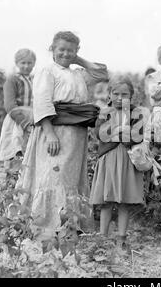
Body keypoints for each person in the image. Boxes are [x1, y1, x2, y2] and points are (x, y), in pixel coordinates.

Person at [16, 31, 108, 240]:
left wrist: (78, 59)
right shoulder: (47, 72)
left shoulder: (77, 73)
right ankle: (46, 226)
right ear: (52, 49)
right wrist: (49, 134)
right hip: (55, 131)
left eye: (71, 50)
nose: (65, 54)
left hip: (76, 134)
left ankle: (69, 225)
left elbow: (102, 74)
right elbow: (42, 102)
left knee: (70, 178)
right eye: (61, 50)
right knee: (52, 174)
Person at [89, 77, 145, 250]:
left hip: (127, 159)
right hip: (108, 158)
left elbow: (138, 135)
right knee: (106, 201)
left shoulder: (136, 113)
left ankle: (121, 238)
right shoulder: (105, 112)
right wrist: (122, 131)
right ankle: (102, 238)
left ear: (132, 96)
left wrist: (118, 132)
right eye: (116, 94)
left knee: (123, 201)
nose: (120, 98)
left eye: (125, 94)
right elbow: (100, 134)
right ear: (110, 94)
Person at [0, 49, 36, 174]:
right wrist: (23, 122)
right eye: (23, 63)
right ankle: (8, 178)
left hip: (31, 117)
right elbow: (10, 105)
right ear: (17, 63)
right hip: (17, 119)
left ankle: (24, 179)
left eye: (30, 63)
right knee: (12, 148)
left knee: (28, 149)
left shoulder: (34, 80)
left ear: (34, 64)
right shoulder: (12, 80)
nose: (26, 66)